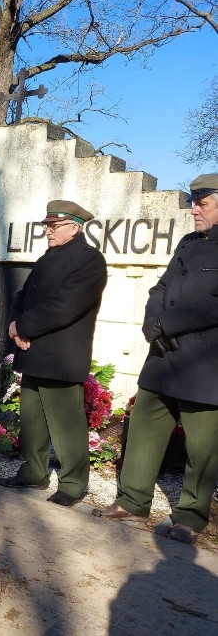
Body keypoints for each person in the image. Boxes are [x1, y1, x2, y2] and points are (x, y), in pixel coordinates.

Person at [93, 173, 218, 543]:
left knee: (203, 447)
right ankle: (132, 501)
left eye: (203, 203)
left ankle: (190, 517)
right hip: (163, 357)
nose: (194, 209)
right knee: (144, 427)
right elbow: (160, 287)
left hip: (204, 364)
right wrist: (152, 321)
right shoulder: (188, 243)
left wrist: (167, 322)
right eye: (194, 202)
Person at [0, 201, 108, 506]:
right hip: (32, 348)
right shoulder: (50, 257)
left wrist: (24, 326)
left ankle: (73, 484)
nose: (47, 231)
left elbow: (65, 307)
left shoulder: (89, 260)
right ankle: (33, 471)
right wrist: (15, 326)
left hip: (60, 354)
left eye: (54, 226)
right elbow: (23, 295)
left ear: (75, 227)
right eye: (47, 225)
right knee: (33, 420)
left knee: (66, 424)